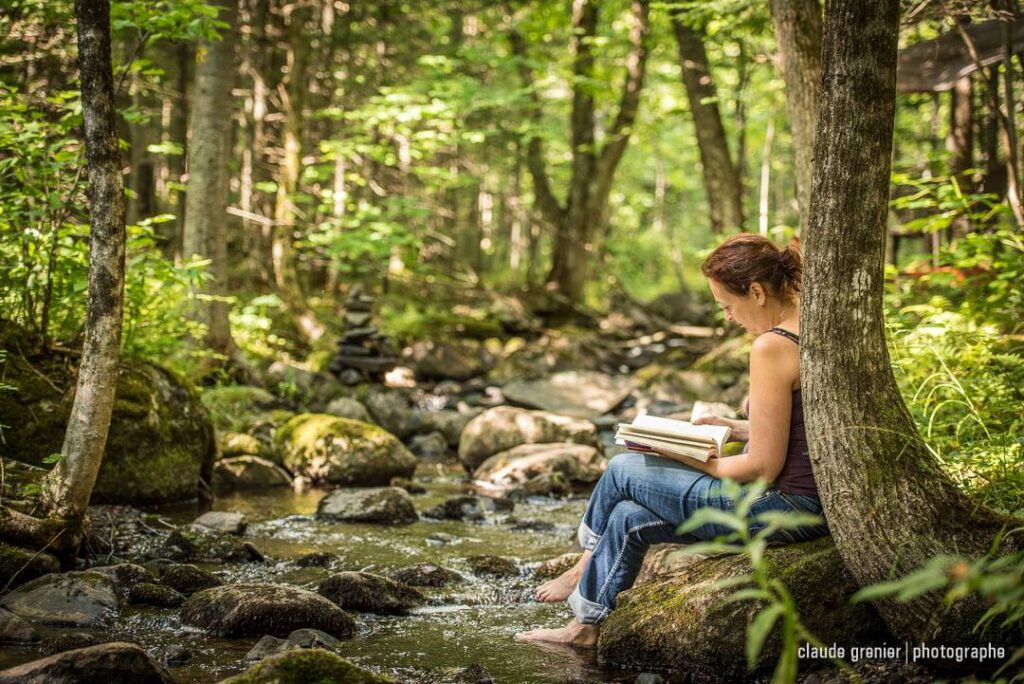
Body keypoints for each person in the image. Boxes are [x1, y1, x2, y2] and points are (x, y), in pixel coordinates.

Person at [515, 233, 831, 646]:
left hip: (782, 508)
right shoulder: (810, 324)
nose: (728, 318)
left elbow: (759, 467)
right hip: (806, 506)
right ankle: (584, 627)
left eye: (727, 306)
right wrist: (736, 429)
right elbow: (806, 428)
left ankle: (582, 564)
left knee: (622, 468)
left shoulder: (771, 347)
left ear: (756, 292)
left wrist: (687, 455)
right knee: (628, 516)